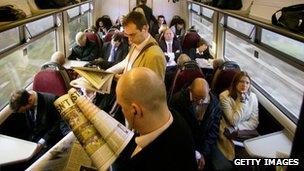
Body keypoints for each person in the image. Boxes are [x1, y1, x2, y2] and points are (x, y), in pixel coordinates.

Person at [113, 67, 197, 170]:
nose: (121, 110)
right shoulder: (178, 119)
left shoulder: (152, 163)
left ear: (136, 110)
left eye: (121, 106)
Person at [170, 78, 224, 170]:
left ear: (209, 91)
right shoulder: (177, 100)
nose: (199, 102)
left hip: (204, 144)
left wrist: (203, 152)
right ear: (190, 89)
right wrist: (192, 152)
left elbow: (213, 131)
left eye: (203, 98)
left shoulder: (215, 105)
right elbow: (175, 129)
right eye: (196, 98)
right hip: (184, 143)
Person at [106, 11, 166, 80]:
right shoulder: (136, 43)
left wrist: (123, 79)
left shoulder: (155, 56)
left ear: (145, 28)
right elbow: (127, 62)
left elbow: (153, 88)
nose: (130, 39)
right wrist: (107, 73)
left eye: (132, 35)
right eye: (127, 35)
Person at [8, 89, 69, 156]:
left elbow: (57, 125)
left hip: (52, 140)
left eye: (25, 110)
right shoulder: (26, 103)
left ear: (30, 100)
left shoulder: (51, 100)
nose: (25, 112)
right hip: (37, 140)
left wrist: (42, 142)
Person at [217, 71, 259, 161]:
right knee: (245, 159)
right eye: (241, 81)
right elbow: (233, 121)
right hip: (228, 134)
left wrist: (237, 128)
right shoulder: (225, 97)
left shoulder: (253, 97)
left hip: (244, 133)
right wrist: (242, 102)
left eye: (247, 82)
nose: (244, 85)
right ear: (235, 83)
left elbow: (254, 122)